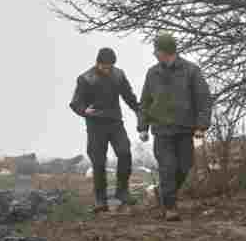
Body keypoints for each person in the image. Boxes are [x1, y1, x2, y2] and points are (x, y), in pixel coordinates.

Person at [136, 33, 212, 221]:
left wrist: (201, 125)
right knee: (167, 167)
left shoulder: (191, 71)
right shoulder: (152, 73)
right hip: (162, 130)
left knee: (184, 166)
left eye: (156, 50)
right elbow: (145, 101)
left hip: (185, 129)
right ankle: (170, 208)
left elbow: (203, 100)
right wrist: (143, 127)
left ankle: (161, 194)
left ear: (164, 51)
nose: (154, 53)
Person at [69, 47, 141, 213]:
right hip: (95, 125)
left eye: (110, 67)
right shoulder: (86, 79)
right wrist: (83, 111)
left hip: (115, 122)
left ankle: (122, 192)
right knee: (98, 162)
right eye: (105, 67)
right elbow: (75, 103)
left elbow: (128, 96)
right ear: (97, 63)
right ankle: (100, 200)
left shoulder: (118, 75)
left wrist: (137, 108)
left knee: (124, 152)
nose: (108, 70)